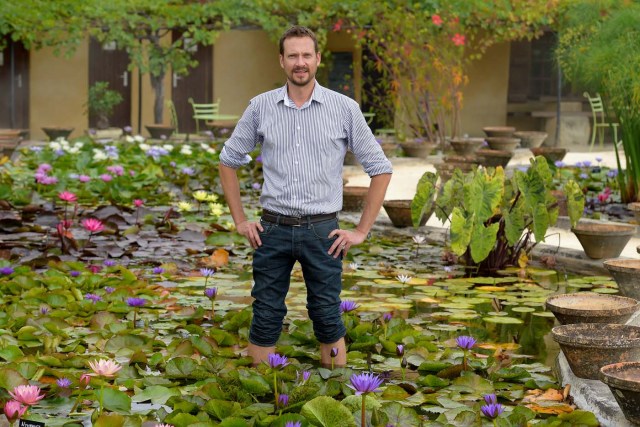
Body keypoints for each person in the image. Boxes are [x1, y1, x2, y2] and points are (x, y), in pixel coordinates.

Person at [219, 25, 392, 367]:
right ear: (281, 61)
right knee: (266, 314)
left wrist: (361, 231)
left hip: (323, 232)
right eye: (293, 55)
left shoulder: (344, 109)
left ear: (317, 59)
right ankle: (262, 399)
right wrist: (240, 220)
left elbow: (381, 168)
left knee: (327, 315)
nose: (300, 62)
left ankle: (335, 396)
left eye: (306, 55)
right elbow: (228, 161)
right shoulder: (260, 107)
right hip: (273, 229)